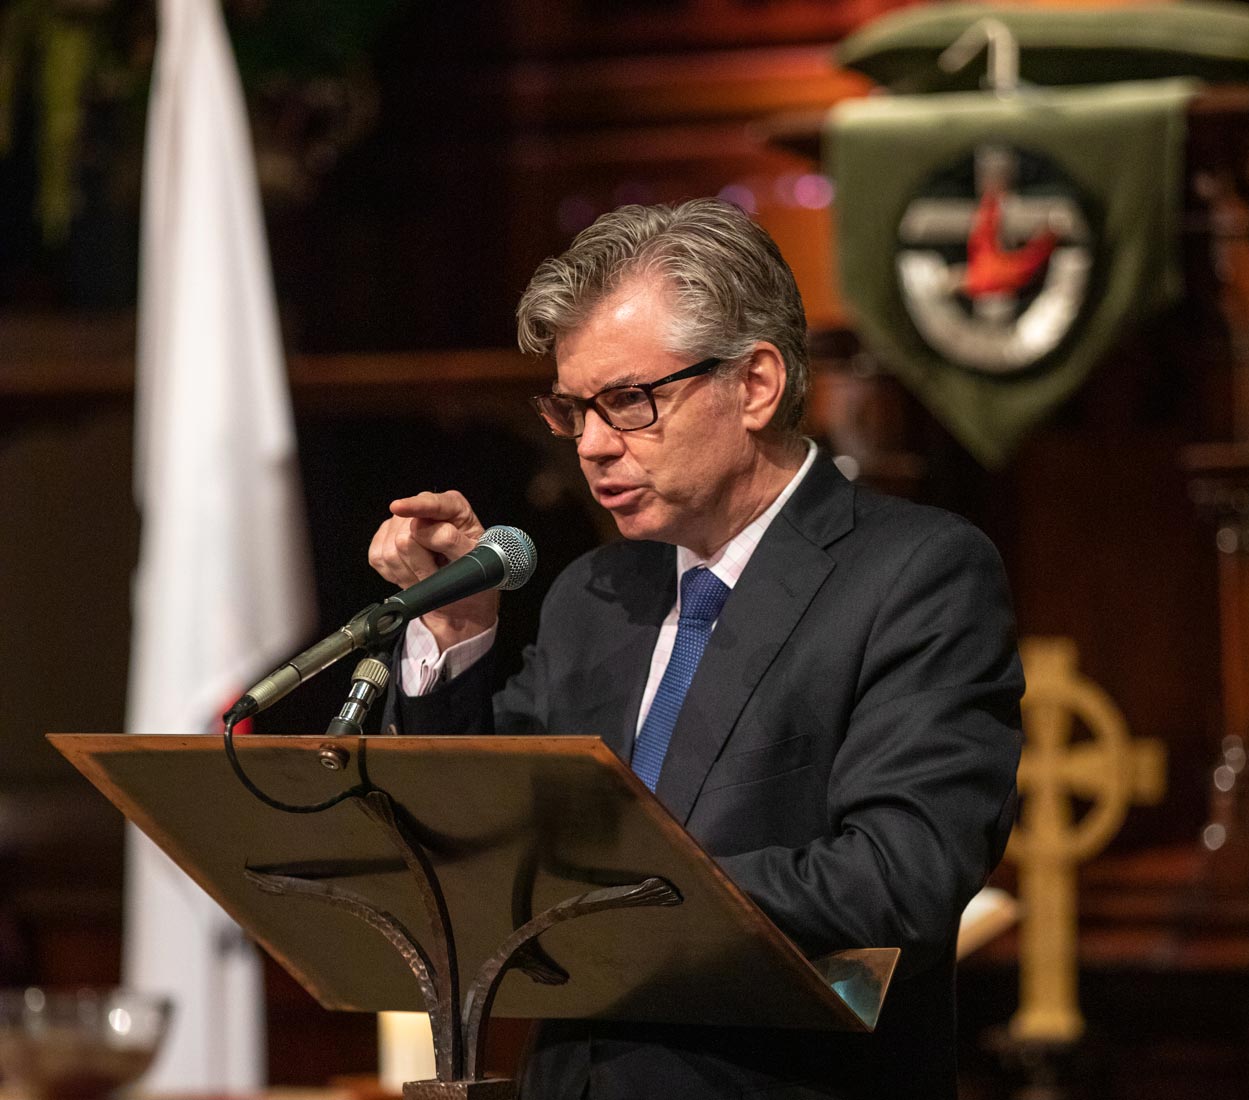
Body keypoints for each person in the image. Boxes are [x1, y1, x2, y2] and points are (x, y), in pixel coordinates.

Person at [368, 198, 1023, 1099]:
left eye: (628, 402)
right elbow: (472, 850)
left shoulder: (914, 574)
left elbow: (902, 871)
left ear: (754, 384)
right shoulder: (594, 596)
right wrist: (457, 633)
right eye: (572, 409)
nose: (593, 446)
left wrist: (625, 897)